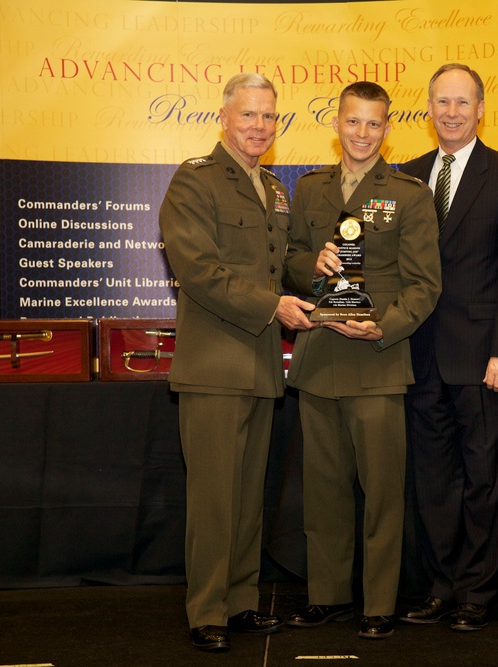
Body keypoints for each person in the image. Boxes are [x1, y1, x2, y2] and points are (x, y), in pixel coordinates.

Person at [158, 72, 316, 652]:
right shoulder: (194, 181)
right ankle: (207, 611)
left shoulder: (273, 187)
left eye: (269, 117)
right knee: (214, 499)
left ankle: (242, 601)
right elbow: (200, 270)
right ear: (223, 117)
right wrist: (273, 304)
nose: (259, 127)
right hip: (214, 365)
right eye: (249, 115)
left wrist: (317, 264)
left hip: (260, 364)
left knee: (249, 496)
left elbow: (281, 264)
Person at [282, 81, 442, 640]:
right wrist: (310, 263)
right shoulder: (309, 189)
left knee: (381, 494)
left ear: (388, 129)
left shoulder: (409, 193)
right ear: (337, 123)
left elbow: (425, 285)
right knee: (323, 492)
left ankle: (379, 603)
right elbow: (288, 263)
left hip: (378, 361)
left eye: (375, 124)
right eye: (354, 121)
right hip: (319, 357)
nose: (363, 133)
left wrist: (385, 326)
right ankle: (326, 595)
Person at [398, 63, 498, 632]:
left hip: (485, 360)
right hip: (415, 357)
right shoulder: (405, 178)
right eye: (441, 102)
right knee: (433, 482)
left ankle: (476, 592)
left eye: (462, 102)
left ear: (482, 110)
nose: (451, 112)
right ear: (428, 109)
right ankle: (440, 586)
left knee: (484, 481)